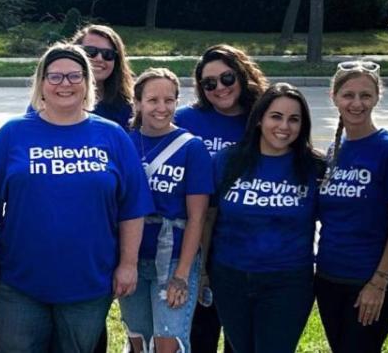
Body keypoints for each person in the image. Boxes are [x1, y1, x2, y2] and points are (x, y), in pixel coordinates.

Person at [0, 43, 151, 353]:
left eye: (74, 76)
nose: (65, 84)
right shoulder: (13, 134)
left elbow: (132, 207)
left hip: (89, 281)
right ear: (41, 83)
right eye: (55, 77)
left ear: (88, 84)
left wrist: (128, 264)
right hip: (19, 282)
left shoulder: (113, 136)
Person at [203, 84, 320, 353]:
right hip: (230, 277)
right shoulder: (228, 161)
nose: (284, 126)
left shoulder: (314, 167)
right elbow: (208, 219)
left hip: (288, 282)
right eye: (276, 116)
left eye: (294, 119)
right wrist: (202, 272)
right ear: (259, 119)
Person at [316, 61, 388, 352]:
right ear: (334, 97)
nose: (357, 103)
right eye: (348, 95)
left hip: (369, 281)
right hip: (329, 278)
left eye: (365, 95)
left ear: (377, 98)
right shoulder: (335, 151)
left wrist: (379, 283)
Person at [175, 44, 267, 353]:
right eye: (209, 83)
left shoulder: (262, 119)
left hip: (246, 244)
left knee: (240, 338)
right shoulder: (185, 120)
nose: (220, 88)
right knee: (200, 331)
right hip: (197, 242)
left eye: (227, 78)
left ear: (242, 75)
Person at [120, 68, 212, 353]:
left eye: (169, 100)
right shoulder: (125, 142)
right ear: (137, 103)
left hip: (173, 257)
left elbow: (197, 216)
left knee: (167, 341)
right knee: (138, 338)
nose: (162, 108)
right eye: (152, 100)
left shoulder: (191, 148)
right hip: (132, 256)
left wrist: (183, 274)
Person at [72, 24, 135, 129]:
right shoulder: (56, 100)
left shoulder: (127, 107)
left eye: (108, 54)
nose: (99, 58)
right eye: (90, 51)